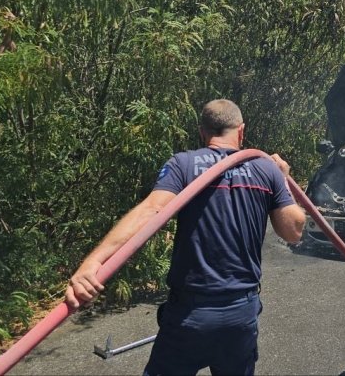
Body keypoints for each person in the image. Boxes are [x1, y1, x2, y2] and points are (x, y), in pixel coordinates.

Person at [66, 99, 306, 376]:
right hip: (240, 315)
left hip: (190, 316)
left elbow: (151, 210)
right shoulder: (266, 170)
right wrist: (285, 178)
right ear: (241, 131)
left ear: (202, 132)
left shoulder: (184, 164)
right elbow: (293, 231)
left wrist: (93, 262)